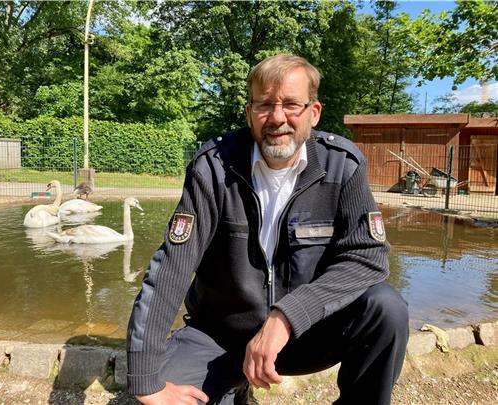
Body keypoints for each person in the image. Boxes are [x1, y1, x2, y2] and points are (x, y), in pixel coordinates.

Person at [127, 54, 409, 405]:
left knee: (386, 308)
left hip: (306, 333)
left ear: (314, 112)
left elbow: (367, 258)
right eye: (264, 105)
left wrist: (287, 316)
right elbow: (171, 268)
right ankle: (233, 385)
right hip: (220, 337)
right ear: (249, 113)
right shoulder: (213, 168)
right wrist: (143, 377)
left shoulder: (343, 166)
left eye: (291, 104)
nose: (277, 118)